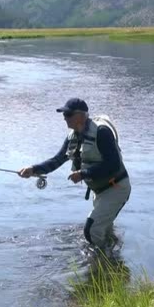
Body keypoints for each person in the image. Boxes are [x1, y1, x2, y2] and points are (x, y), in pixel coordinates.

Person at [18, 98, 131, 256]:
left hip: (116, 188)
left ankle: (101, 264)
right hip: (99, 191)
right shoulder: (73, 136)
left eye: (68, 114)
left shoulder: (102, 132)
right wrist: (33, 169)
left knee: (91, 230)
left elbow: (113, 165)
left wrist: (84, 174)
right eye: (64, 114)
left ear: (81, 116)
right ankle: (111, 260)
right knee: (104, 231)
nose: (64, 117)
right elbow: (57, 160)